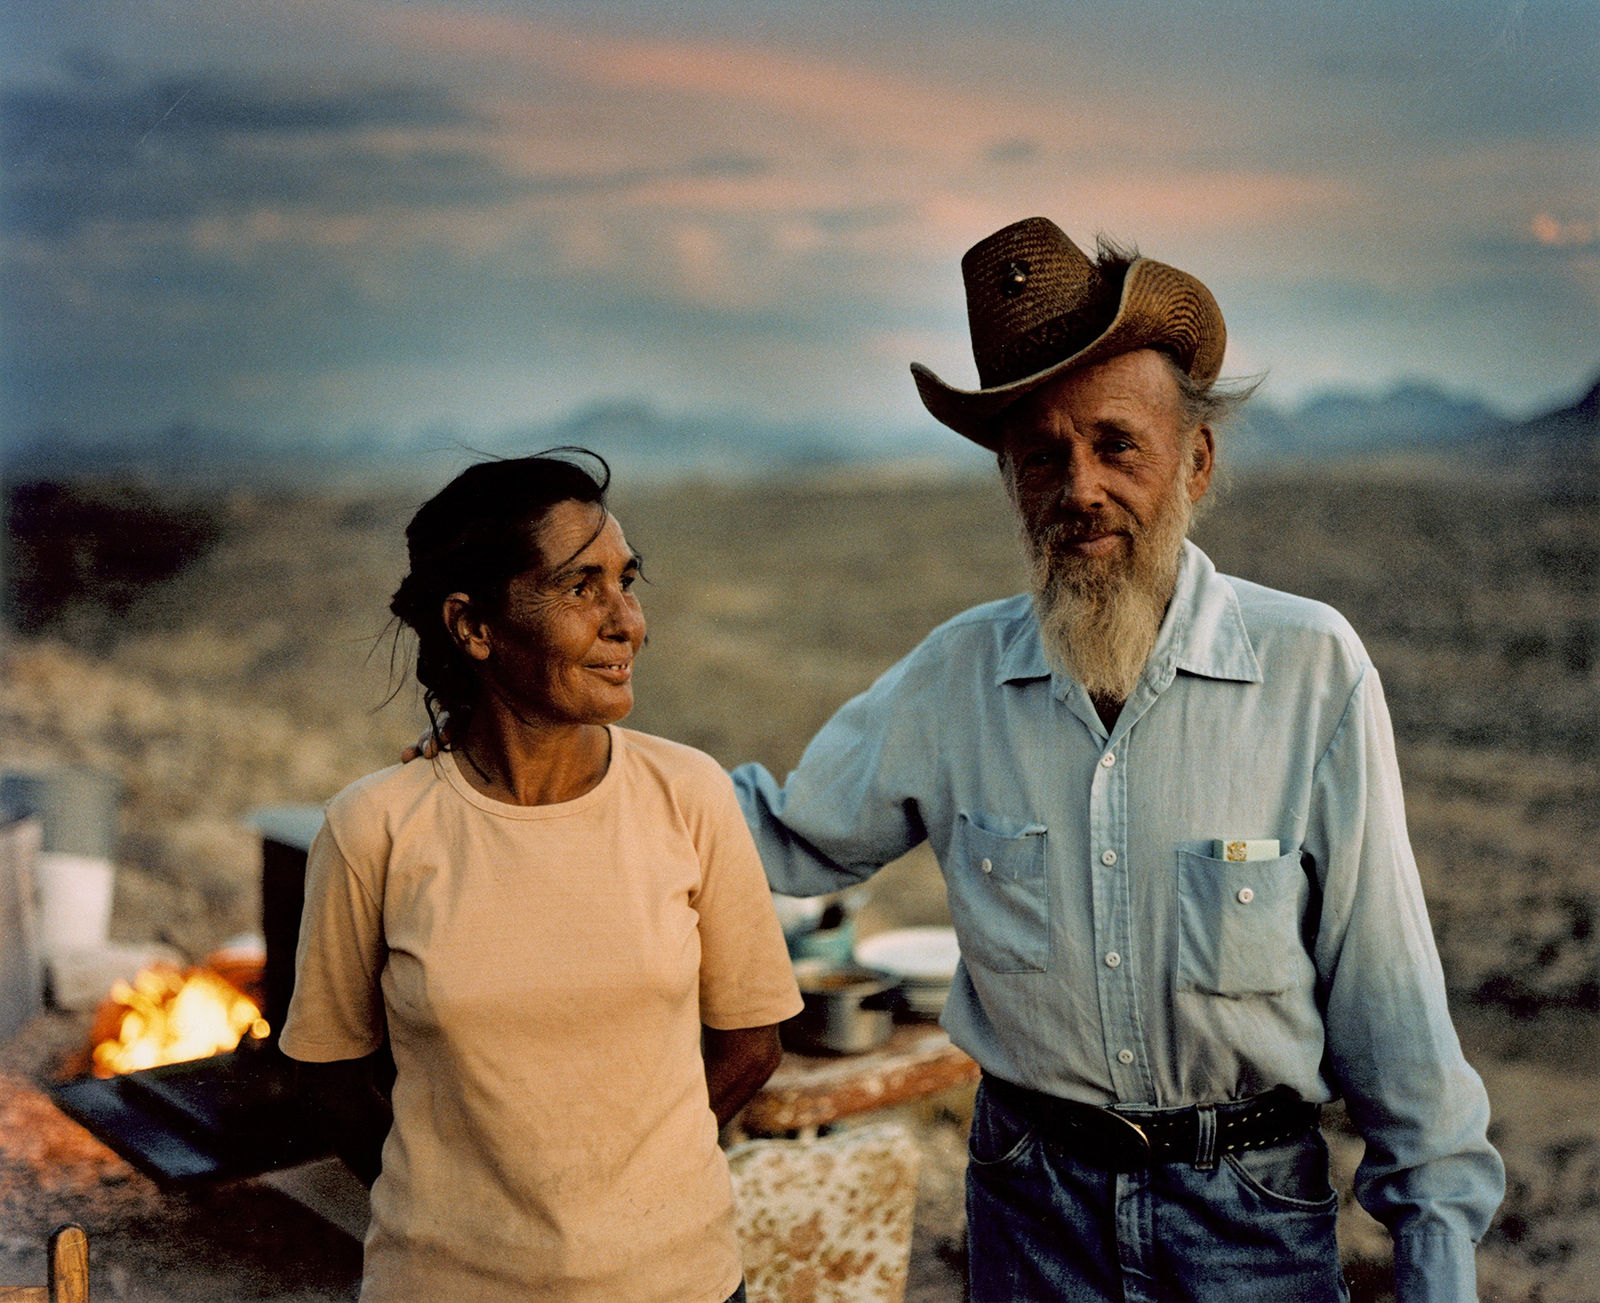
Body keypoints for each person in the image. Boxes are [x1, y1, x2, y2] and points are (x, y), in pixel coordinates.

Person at [730, 217, 1504, 1302]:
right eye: (1041, 455)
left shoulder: (1309, 669)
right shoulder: (954, 680)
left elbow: (1389, 998)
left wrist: (1437, 1264)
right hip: (1029, 1208)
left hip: (1247, 1218)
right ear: (1010, 482)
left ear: (1196, 460)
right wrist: (558, 765)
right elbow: (779, 836)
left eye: (1115, 443)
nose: (1078, 486)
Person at [279, 450, 802, 1303]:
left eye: (627, 582)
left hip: (678, 1285)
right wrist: (462, 1212)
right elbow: (329, 1075)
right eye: (579, 588)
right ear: (474, 626)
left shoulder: (690, 794)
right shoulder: (374, 826)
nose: (628, 620)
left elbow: (752, 1040)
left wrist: (630, 1198)